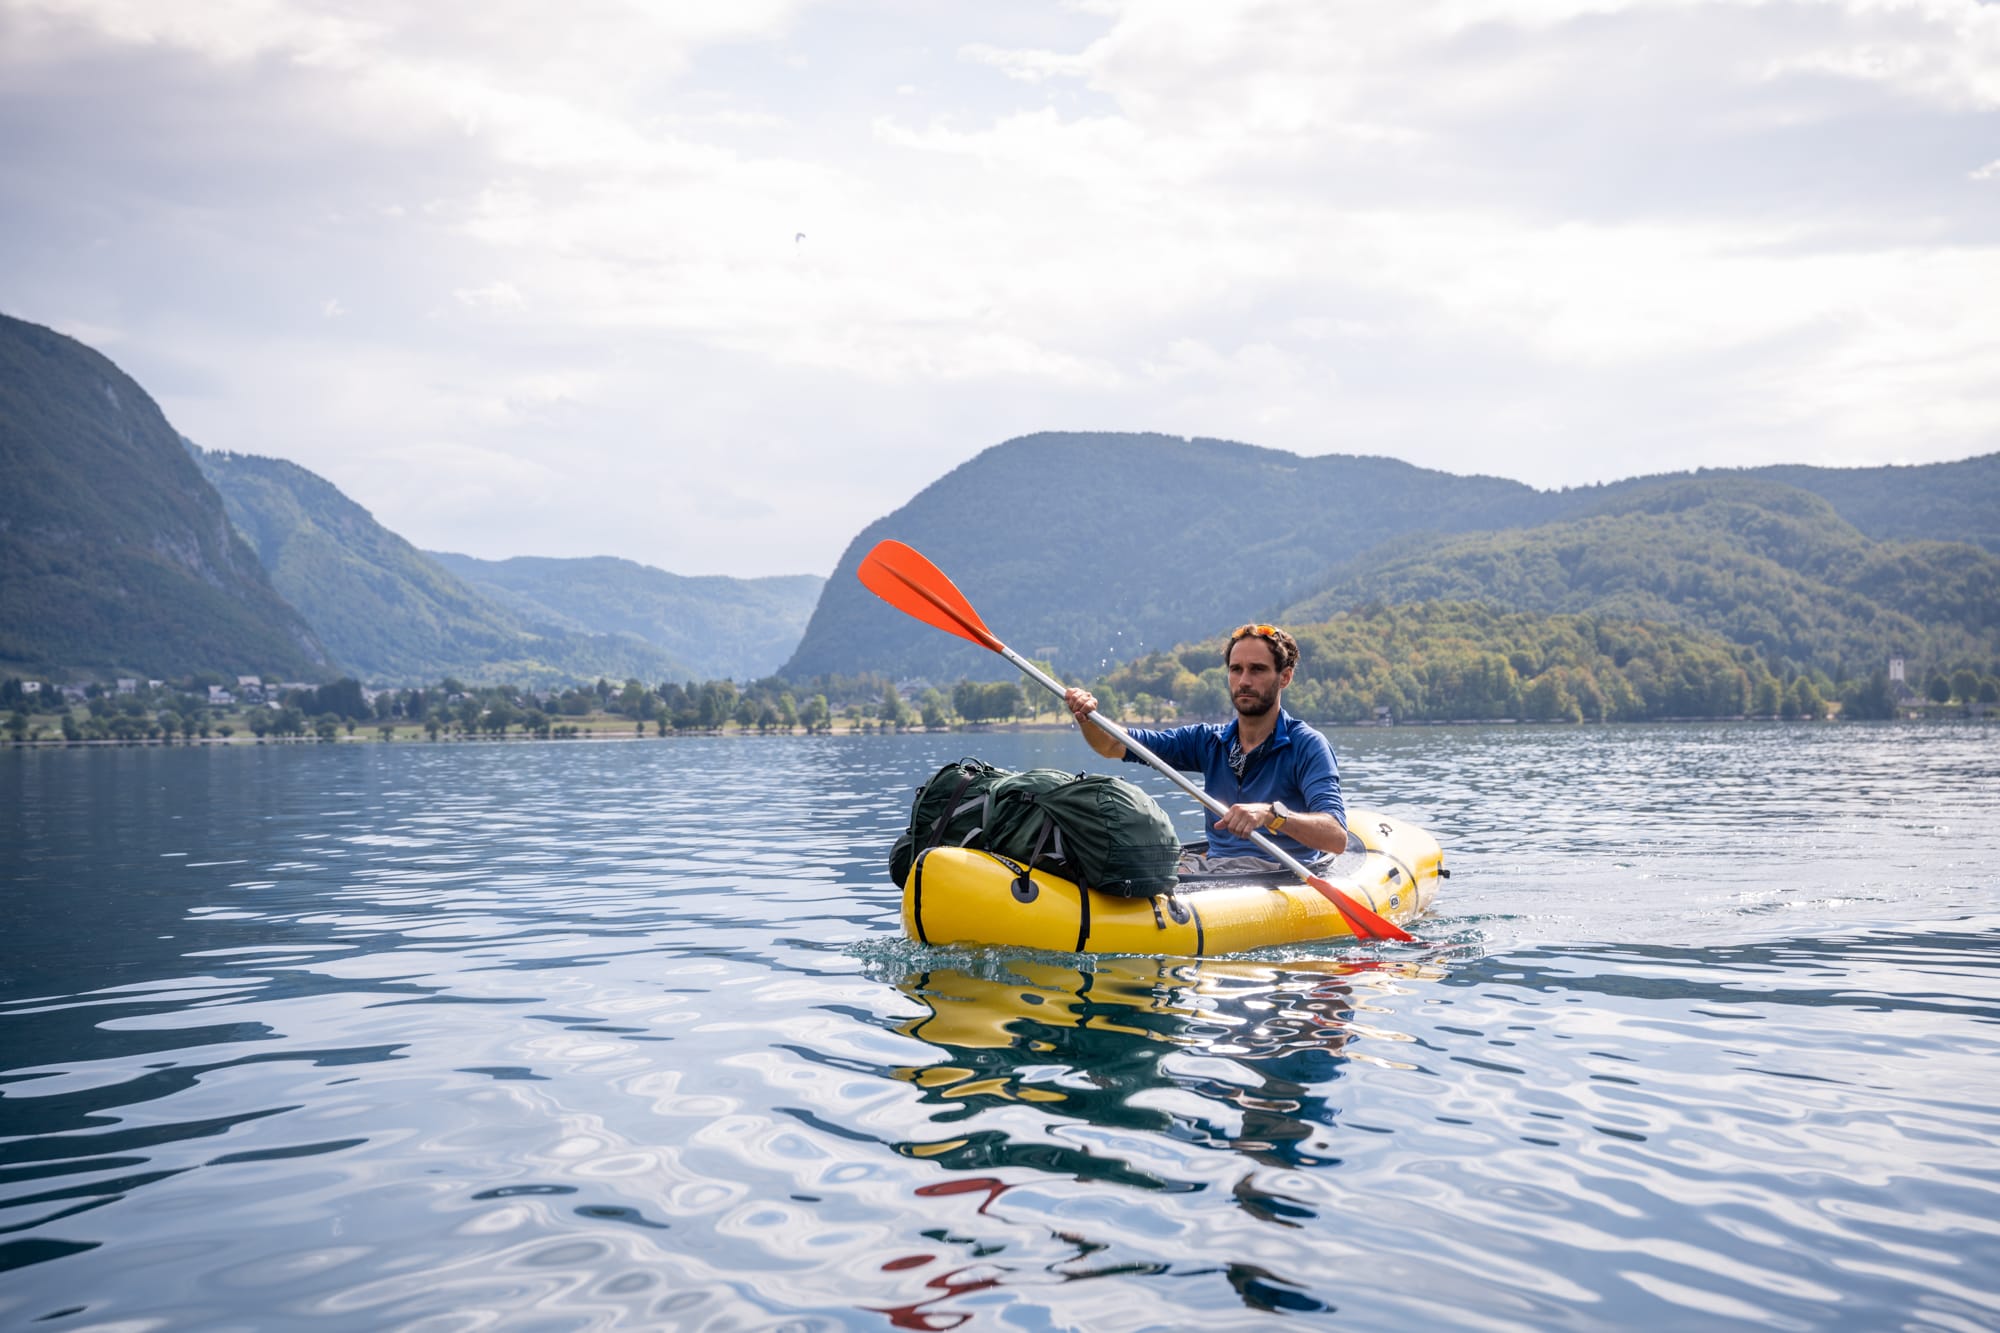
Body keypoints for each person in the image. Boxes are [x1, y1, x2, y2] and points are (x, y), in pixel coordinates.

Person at [1064, 623, 1347, 873]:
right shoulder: (1207, 740)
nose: (1244, 680)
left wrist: (1271, 815)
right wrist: (1087, 717)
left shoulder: (1308, 745)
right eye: (1236, 669)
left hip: (1279, 871)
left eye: (1257, 669)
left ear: (1284, 677)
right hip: (1215, 869)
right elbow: (1113, 744)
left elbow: (1336, 837)